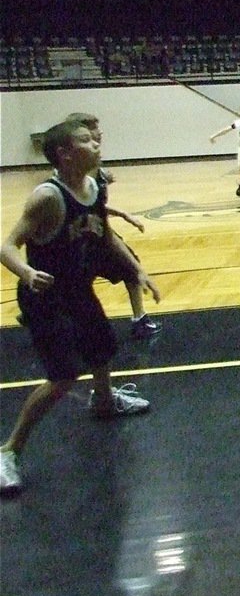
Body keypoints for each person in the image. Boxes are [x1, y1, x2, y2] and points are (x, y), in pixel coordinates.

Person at [1, 119, 159, 496]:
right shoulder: (48, 197)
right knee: (64, 378)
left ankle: (104, 402)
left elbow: (104, 233)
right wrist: (25, 272)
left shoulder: (95, 185)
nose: (97, 143)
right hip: (45, 297)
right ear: (65, 153)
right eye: (86, 140)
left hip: (77, 289)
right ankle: (9, 450)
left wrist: (137, 269)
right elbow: (6, 246)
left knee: (102, 348)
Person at [63, 113, 162, 340]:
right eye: (91, 133)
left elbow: (95, 206)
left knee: (131, 265)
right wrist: (122, 213)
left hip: (97, 230)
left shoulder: (95, 168)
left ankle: (140, 319)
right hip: (77, 235)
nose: (99, 136)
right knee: (71, 281)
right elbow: (82, 207)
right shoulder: (69, 179)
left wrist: (121, 212)